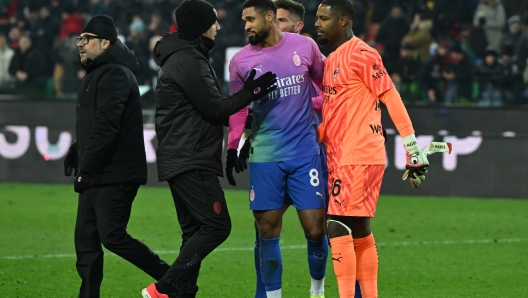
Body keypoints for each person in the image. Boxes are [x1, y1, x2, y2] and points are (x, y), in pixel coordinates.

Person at [140, 0, 277, 297]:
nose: (218, 27)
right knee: (216, 226)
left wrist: (246, 122)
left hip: (181, 155)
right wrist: (250, 93)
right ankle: (162, 289)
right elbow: (215, 109)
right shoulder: (189, 59)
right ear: (201, 27)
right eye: (213, 22)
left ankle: (183, 292)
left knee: (193, 232)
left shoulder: (181, 56)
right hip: (191, 157)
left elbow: (207, 109)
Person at [315, 1, 430, 297]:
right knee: (360, 230)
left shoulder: (362, 54)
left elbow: (391, 97)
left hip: (357, 154)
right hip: (343, 154)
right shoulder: (332, 59)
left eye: (323, 18)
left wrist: (412, 148)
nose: (317, 23)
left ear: (342, 21)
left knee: (337, 225)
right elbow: (335, 110)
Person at [63, 15, 171, 298]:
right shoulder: (98, 73)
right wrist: (77, 149)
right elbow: (96, 123)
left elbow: (107, 126)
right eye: (79, 39)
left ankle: (173, 278)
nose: (81, 45)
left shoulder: (115, 74)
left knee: (112, 236)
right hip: (98, 169)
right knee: (85, 240)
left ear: (105, 43)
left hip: (116, 172)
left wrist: (86, 167)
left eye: (87, 40)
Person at [226, 1, 328, 297]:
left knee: (315, 230)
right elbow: (237, 110)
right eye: (243, 20)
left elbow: (327, 85)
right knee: (267, 230)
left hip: (304, 153)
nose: (245, 25)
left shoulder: (304, 46)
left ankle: (317, 291)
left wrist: (318, 107)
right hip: (265, 157)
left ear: (268, 17)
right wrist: (233, 146)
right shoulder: (241, 62)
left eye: (250, 19)